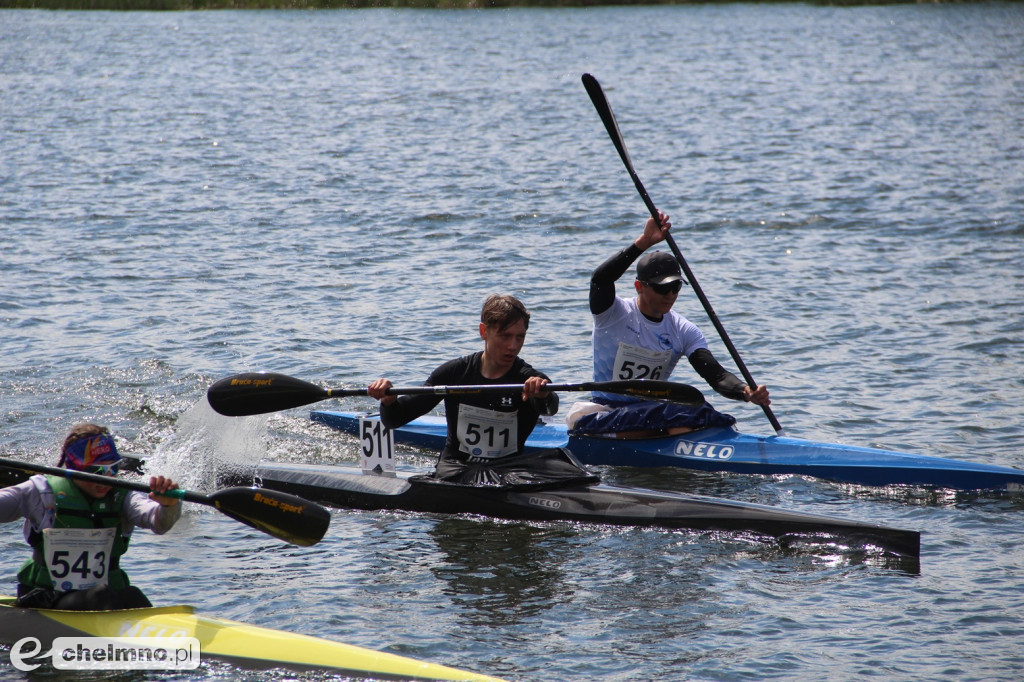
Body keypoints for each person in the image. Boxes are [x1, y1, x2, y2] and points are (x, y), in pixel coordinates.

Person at [574, 211, 771, 436]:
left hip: (651, 413)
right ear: (639, 287)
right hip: (607, 412)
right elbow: (600, 279)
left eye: (676, 287)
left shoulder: (683, 330)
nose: (670, 294)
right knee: (672, 417)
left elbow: (716, 376)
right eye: (661, 288)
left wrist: (745, 392)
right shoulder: (612, 313)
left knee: (705, 413)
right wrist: (642, 243)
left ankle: (670, 438)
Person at [368, 294, 595, 487]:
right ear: (484, 331)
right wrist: (388, 400)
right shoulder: (454, 374)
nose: (513, 346)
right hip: (457, 467)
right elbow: (395, 419)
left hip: (508, 469)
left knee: (566, 463)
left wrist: (542, 393)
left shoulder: (529, 379)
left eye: (520, 337)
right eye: (505, 336)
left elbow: (550, 407)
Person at [0, 423, 181, 611]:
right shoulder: (42, 492)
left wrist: (168, 505)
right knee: (100, 595)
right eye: (97, 471)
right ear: (74, 468)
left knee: (132, 595)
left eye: (113, 468)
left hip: (105, 598)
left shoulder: (123, 496)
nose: (107, 477)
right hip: (47, 599)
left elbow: (158, 523)